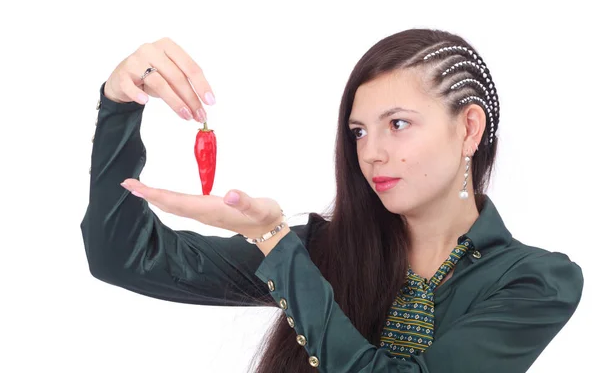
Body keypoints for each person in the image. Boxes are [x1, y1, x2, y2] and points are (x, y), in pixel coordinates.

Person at [81, 29, 584, 373]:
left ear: (469, 128)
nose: (372, 153)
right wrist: (119, 106)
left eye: (399, 124)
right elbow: (123, 257)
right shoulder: (323, 251)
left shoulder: (536, 281)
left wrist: (275, 244)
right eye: (359, 132)